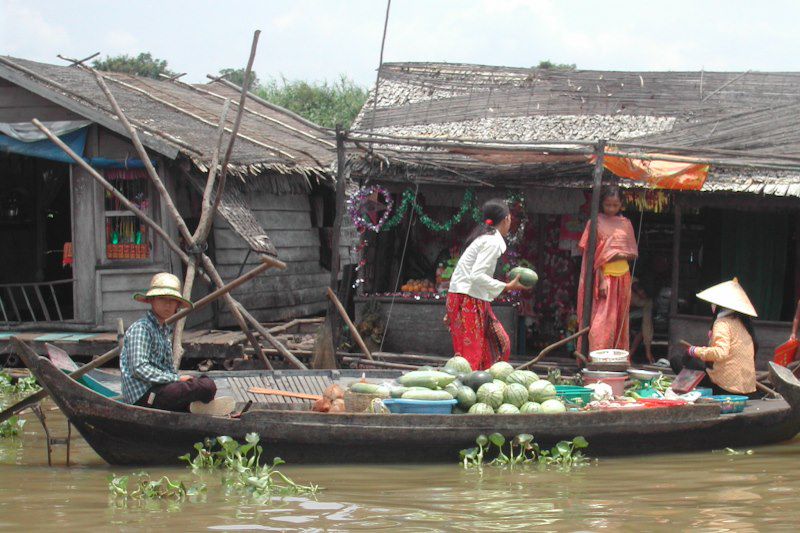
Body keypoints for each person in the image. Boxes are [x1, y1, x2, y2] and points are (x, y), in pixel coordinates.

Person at [121, 272, 234, 415]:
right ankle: (190, 407)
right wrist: (177, 379)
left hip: (162, 390)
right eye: (162, 299)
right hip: (144, 397)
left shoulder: (163, 331)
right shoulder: (141, 329)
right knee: (203, 387)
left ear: (177, 305)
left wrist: (180, 380)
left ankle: (191, 407)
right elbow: (139, 368)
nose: (167, 304)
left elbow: (168, 370)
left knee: (204, 383)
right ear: (152, 301)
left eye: (172, 300)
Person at [445, 199, 530, 370]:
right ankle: (469, 391)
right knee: (471, 356)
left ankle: (484, 384)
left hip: (471, 297)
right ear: (506, 218)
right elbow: (476, 275)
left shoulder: (486, 238)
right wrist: (507, 286)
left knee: (499, 343)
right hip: (467, 298)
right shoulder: (491, 241)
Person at [576, 186, 638, 354]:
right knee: (601, 322)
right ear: (601, 203)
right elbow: (590, 254)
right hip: (603, 277)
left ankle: (615, 358)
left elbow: (633, 253)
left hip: (623, 277)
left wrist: (613, 254)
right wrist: (602, 277)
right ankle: (596, 357)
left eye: (615, 205)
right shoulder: (595, 222)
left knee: (619, 320)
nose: (611, 208)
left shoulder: (626, 224)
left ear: (621, 205)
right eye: (608, 205)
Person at [678, 278, 758, 396]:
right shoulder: (743, 324)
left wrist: (694, 351)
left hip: (726, 386)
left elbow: (721, 353)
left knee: (677, 361)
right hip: (747, 387)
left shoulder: (722, 323)